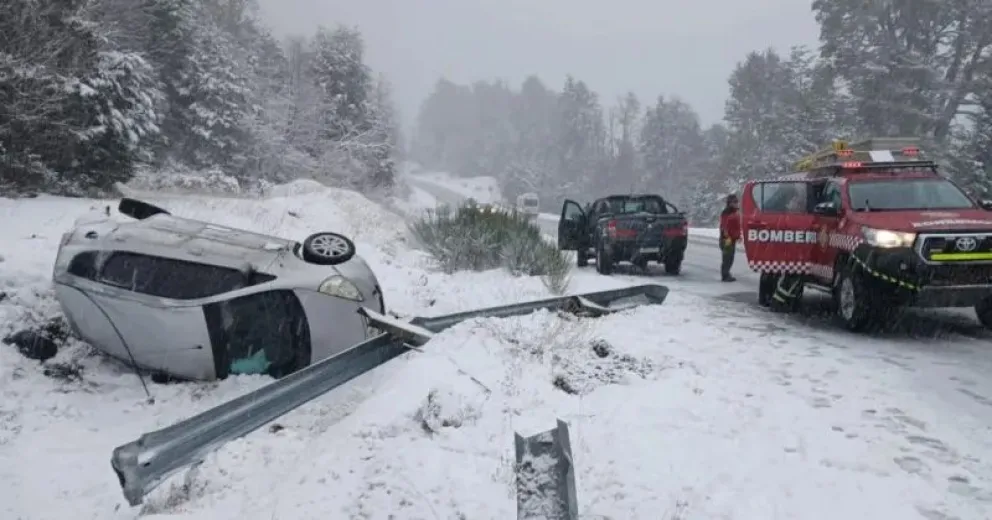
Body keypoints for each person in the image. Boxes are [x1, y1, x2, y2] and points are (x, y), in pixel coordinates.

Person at [719, 194, 741, 282]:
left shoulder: (735, 212)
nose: (736, 203)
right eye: (734, 202)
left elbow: (736, 225)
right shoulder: (726, 212)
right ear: (730, 203)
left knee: (730, 257)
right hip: (727, 239)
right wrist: (727, 237)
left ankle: (727, 273)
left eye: (737, 202)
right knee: (727, 257)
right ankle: (725, 275)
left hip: (732, 238)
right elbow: (724, 226)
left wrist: (738, 236)